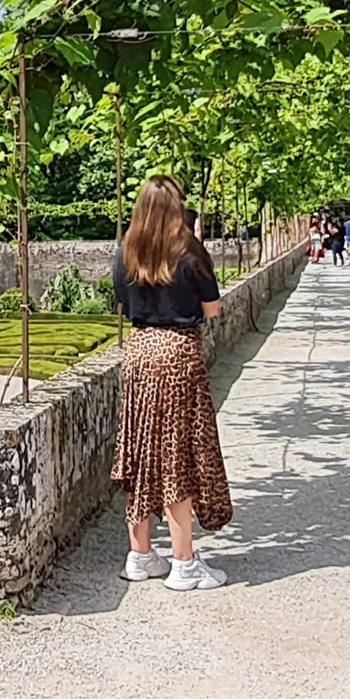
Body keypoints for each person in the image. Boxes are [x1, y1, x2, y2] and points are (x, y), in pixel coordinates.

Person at [111, 176, 231, 591]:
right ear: (177, 207)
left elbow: (126, 306)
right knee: (178, 454)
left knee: (141, 450)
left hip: (140, 352)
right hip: (178, 354)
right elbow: (212, 309)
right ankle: (184, 563)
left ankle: (140, 555)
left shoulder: (125, 252)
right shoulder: (189, 251)